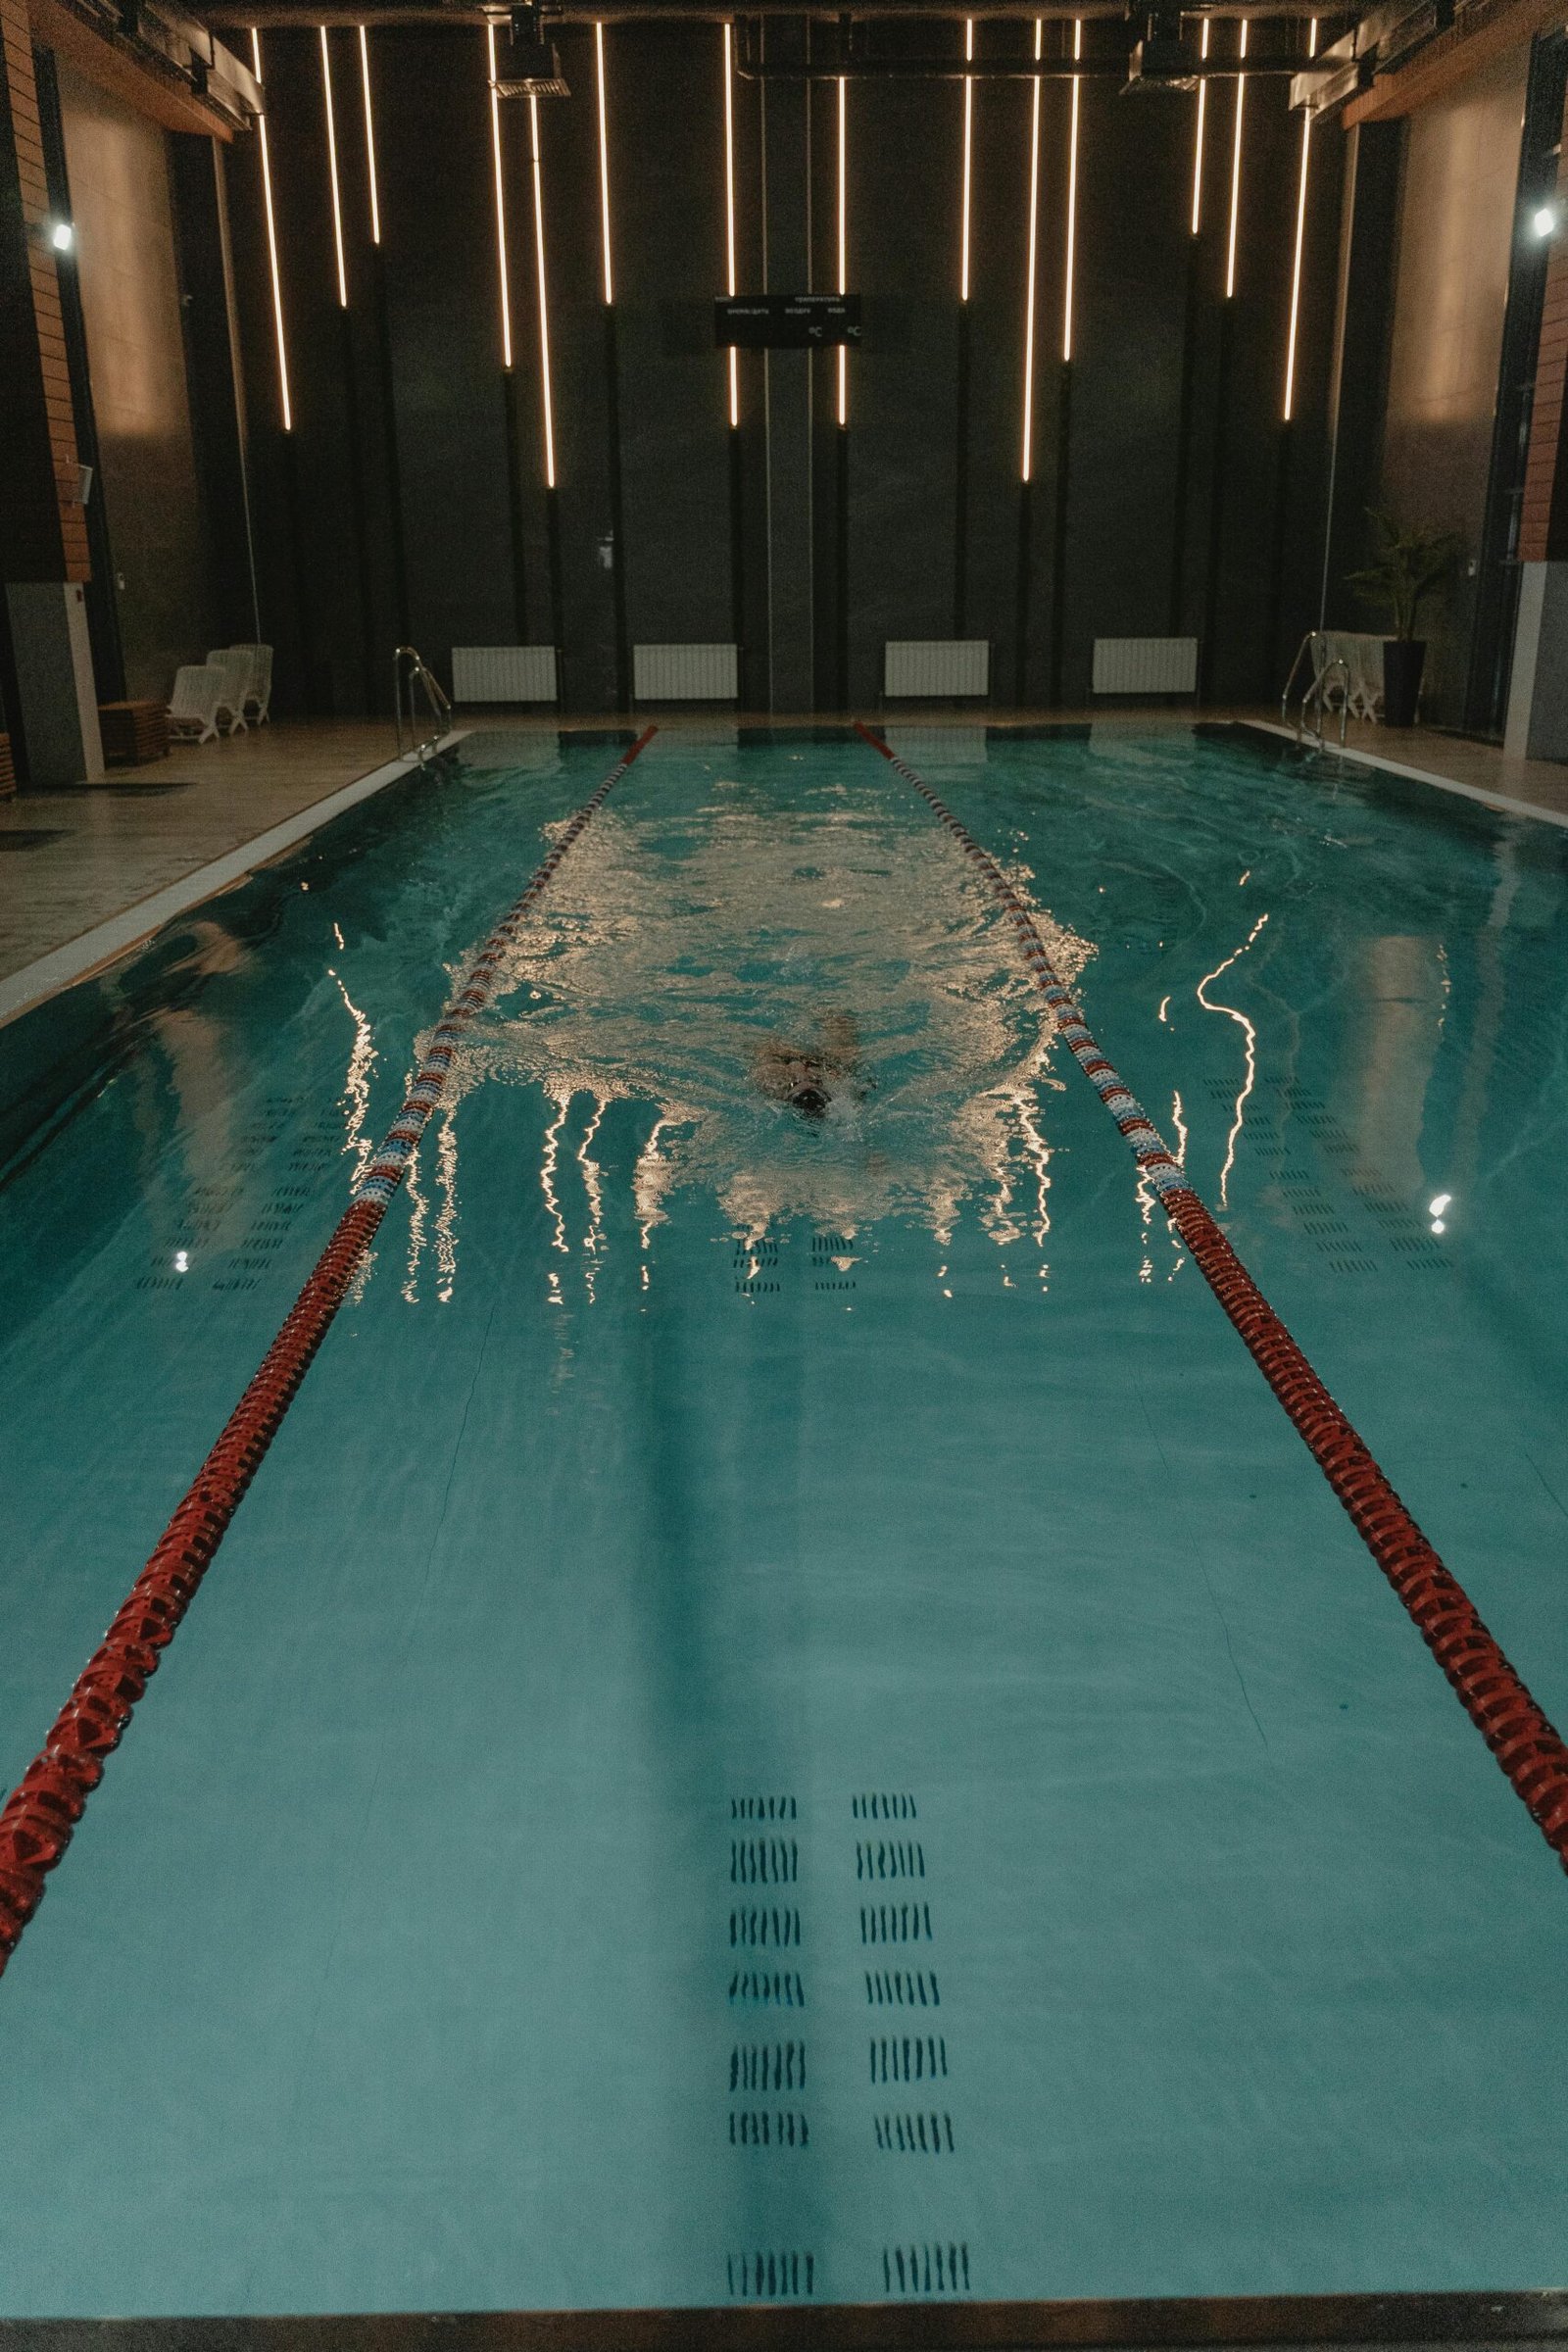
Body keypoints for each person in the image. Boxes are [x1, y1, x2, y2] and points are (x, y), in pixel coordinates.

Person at [753, 1011, 866, 1121]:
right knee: (841, 1026)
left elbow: (767, 1051)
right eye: (811, 1080)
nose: (804, 1076)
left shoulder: (773, 1080)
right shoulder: (838, 1080)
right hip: (825, 1062)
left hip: (784, 1058)